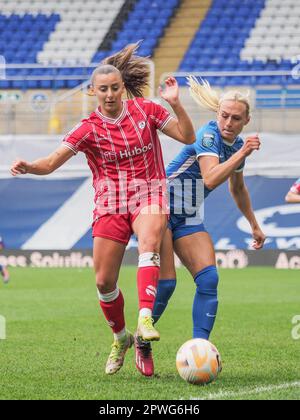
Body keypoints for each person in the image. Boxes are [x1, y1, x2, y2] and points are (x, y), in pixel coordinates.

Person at [10, 43, 195, 376]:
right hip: (110, 204)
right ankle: (121, 337)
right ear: (93, 91)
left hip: (149, 194)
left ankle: (144, 321)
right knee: (103, 282)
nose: (110, 94)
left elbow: (186, 135)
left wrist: (177, 104)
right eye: (103, 89)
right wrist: (29, 167)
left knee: (150, 241)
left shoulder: (148, 111)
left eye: (115, 88)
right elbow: (51, 163)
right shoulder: (87, 129)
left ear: (122, 87)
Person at [135, 77, 266, 376]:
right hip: (161, 209)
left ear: (247, 120)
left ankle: (200, 350)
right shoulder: (208, 135)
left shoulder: (233, 146)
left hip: (190, 214)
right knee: (167, 284)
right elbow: (209, 179)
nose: (228, 122)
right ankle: (142, 341)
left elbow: (238, 189)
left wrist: (254, 225)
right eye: (224, 115)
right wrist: (242, 153)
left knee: (208, 281)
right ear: (216, 114)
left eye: (235, 118)